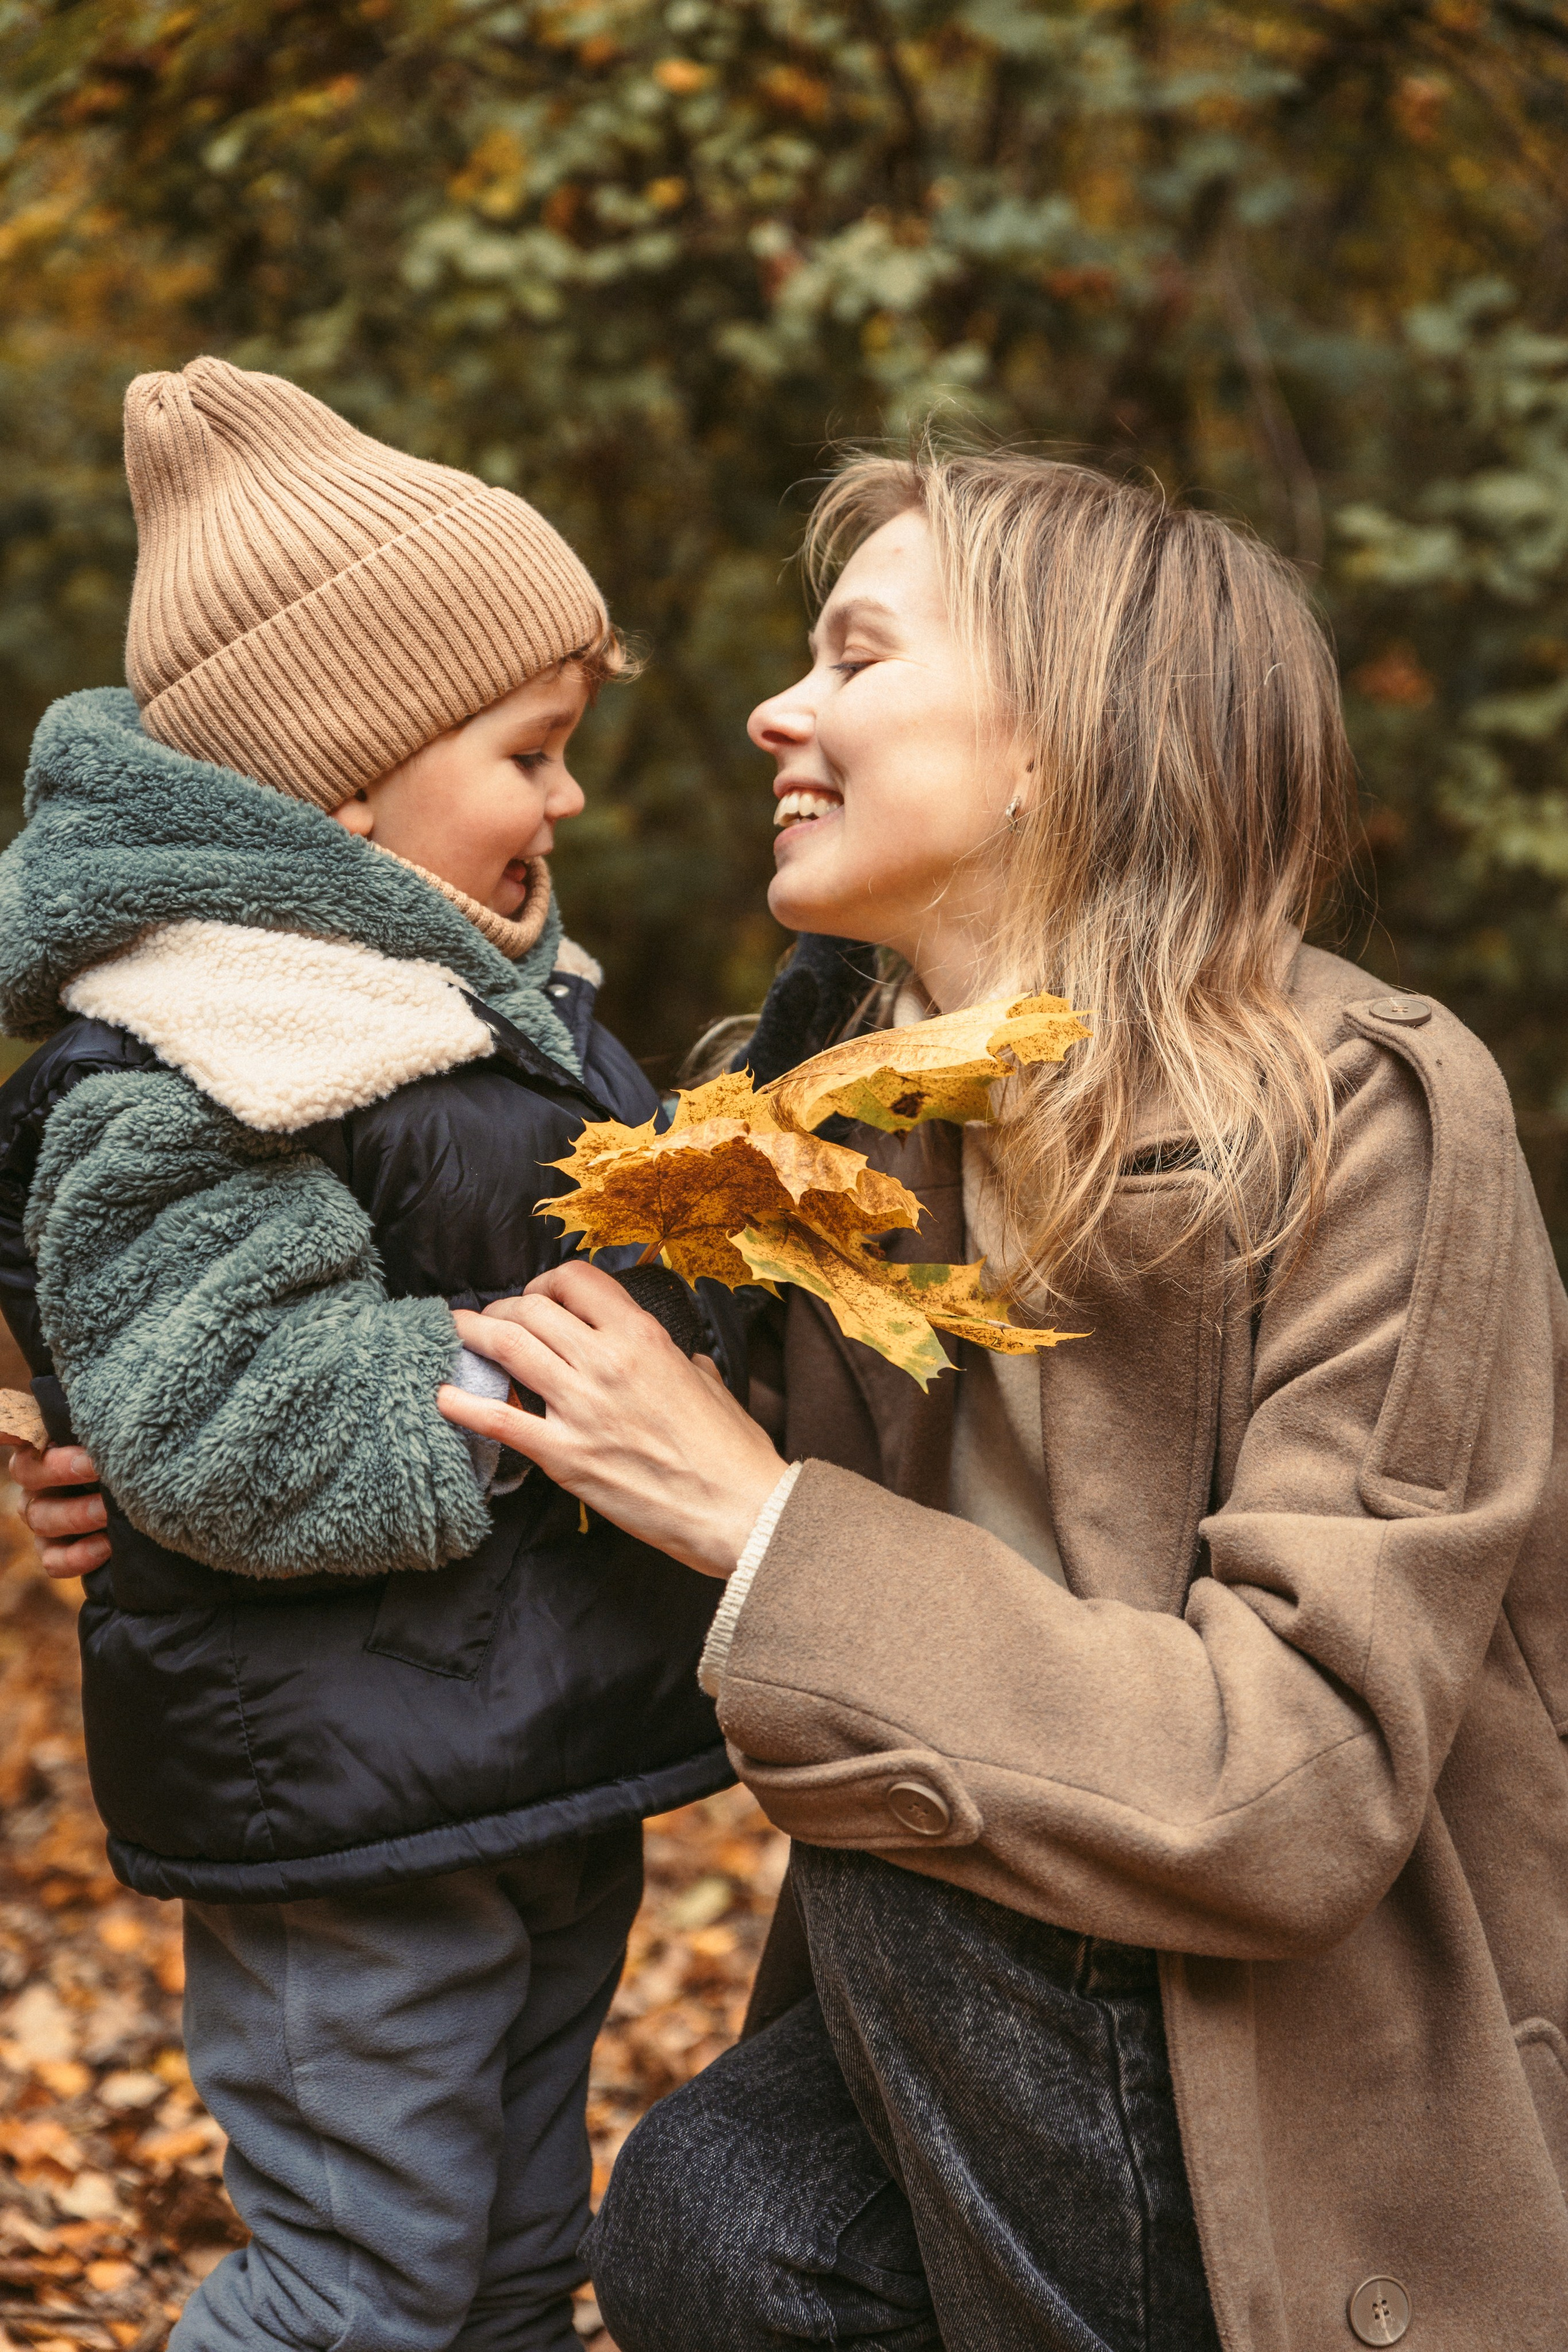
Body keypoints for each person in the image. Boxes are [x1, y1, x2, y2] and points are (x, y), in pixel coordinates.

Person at [435, 452, 1568, 2351]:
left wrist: (765, 1525)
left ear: (1061, 741)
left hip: (1306, 2082)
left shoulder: (1372, 1114)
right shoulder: (849, 1136)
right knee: (722, 2220)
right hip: (1004, 2046)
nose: (774, 709)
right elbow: (627, 1521)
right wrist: (189, 1503)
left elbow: (1295, 1790)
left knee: (910, 1838)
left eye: (855, 657)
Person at [0, 357, 737, 2352]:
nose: (570, 798)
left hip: (509, 1772)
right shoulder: (212, 1042)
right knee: (357, 2289)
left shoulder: (481, 998)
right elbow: (221, 1419)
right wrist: (557, 1372)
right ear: (350, 780)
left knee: (505, 2274)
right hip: (342, 1810)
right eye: (531, 750)